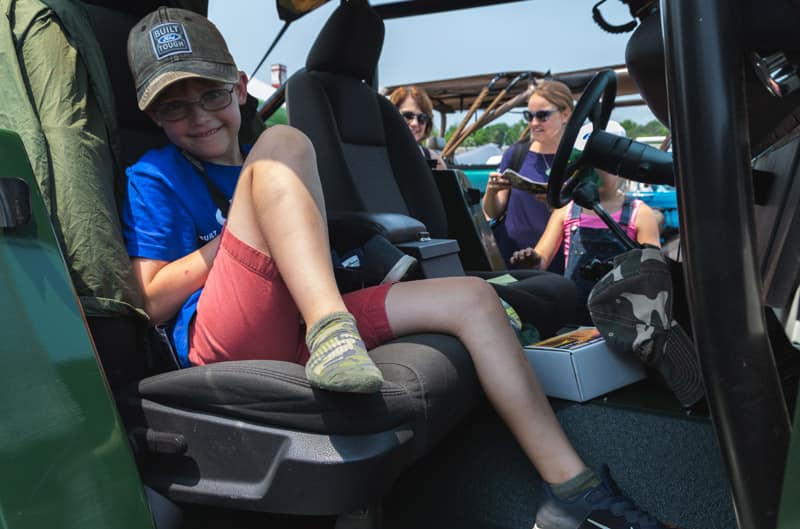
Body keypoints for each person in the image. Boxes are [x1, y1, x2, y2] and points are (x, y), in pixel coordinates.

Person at [122, 8, 676, 528]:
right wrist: (248, 229)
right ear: (152, 114)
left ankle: (573, 492)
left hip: (293, 318)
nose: (198, 117)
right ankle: (332, 331)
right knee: (286, 141)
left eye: (212, 94)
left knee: (473, 300)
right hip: (222, 339)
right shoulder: (158, 176)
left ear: (240, 87)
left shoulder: (259, 168)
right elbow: (148, 297)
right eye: (174, 106)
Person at [510, 122, 662, 324]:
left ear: (621, 166)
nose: (593, 172)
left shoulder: (639, 214)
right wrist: (531, 261)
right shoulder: (566, 210)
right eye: (585, 164)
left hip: (625, 320)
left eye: (601, 164)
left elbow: (655, 274)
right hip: (576, 318)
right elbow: (541, 260)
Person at [482, 80, 575, 272]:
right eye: (529, 116)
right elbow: (493, 212)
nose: (534, 123)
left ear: (565, 114)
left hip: (559, 264)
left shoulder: (577, 161)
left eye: (542, 116)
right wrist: (491, 192)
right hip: (510, 258)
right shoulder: (515, 154)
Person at [388, 85, 447, 170]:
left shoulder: (436, 161)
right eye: (408, 116)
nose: (415, 123)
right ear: (391, 115)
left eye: (422, 118)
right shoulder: (377, 155)